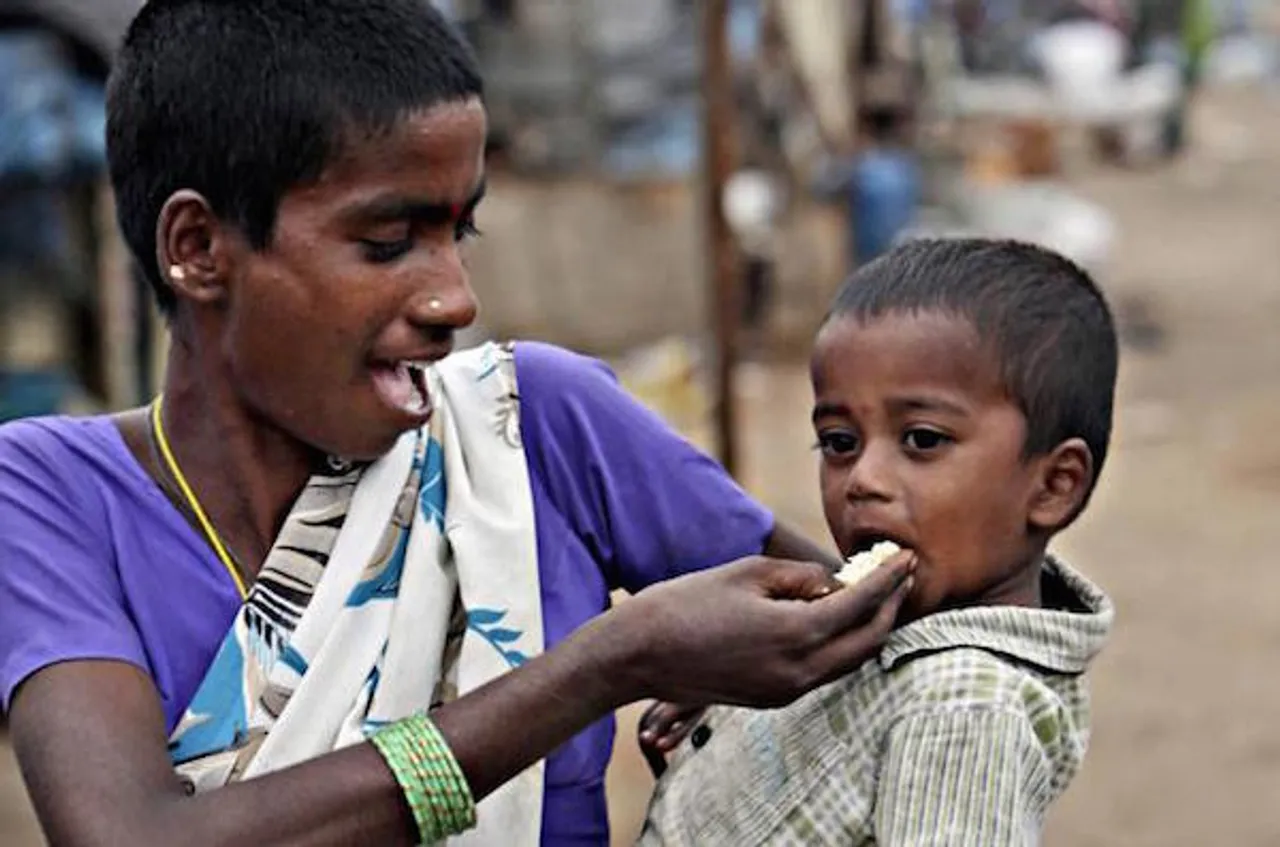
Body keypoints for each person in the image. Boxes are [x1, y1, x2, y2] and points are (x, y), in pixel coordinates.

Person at [0, 2, 916, 845]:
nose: (454, 298)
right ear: (198, 249)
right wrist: (603, 665)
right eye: (389, 243)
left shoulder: (535, 426)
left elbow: (888, 631)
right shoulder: (48, 494)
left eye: (458, 234)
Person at [640, 238, 1117, 845]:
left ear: (1054, 485)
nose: (863, 479)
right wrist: (725, 725)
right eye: (840, 442)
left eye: (921, 439)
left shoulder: (964, 710)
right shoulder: (879, 627)